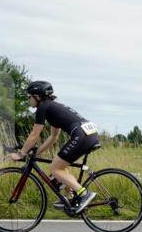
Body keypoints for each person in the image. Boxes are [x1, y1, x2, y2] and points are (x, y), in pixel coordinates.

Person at [6, 81, 98, 213]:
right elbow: (53, 137)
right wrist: (36, 153)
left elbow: (35, 134)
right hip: (89, 133)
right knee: (59, 169)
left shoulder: (43, 107)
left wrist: (21, 154)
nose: (28, 99)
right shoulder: (52, 108)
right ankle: (69, 196)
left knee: (55, 168)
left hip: (81, 134)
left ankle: (84, 194)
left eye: (29, 96)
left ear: (37, 97)